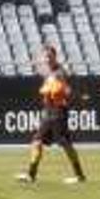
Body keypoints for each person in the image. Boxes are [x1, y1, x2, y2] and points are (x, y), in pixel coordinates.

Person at [18, 46, 87, 185]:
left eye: (50, 56)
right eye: (46, 57)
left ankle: (79, 175)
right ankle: (31, 175)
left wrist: (61, 93)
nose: (47, 59)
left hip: (58, 112)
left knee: (66, 145)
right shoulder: (49, 73)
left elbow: (67, 91)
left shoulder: (59, 73)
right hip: (49, 112)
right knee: (37, 141)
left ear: (55, 57)